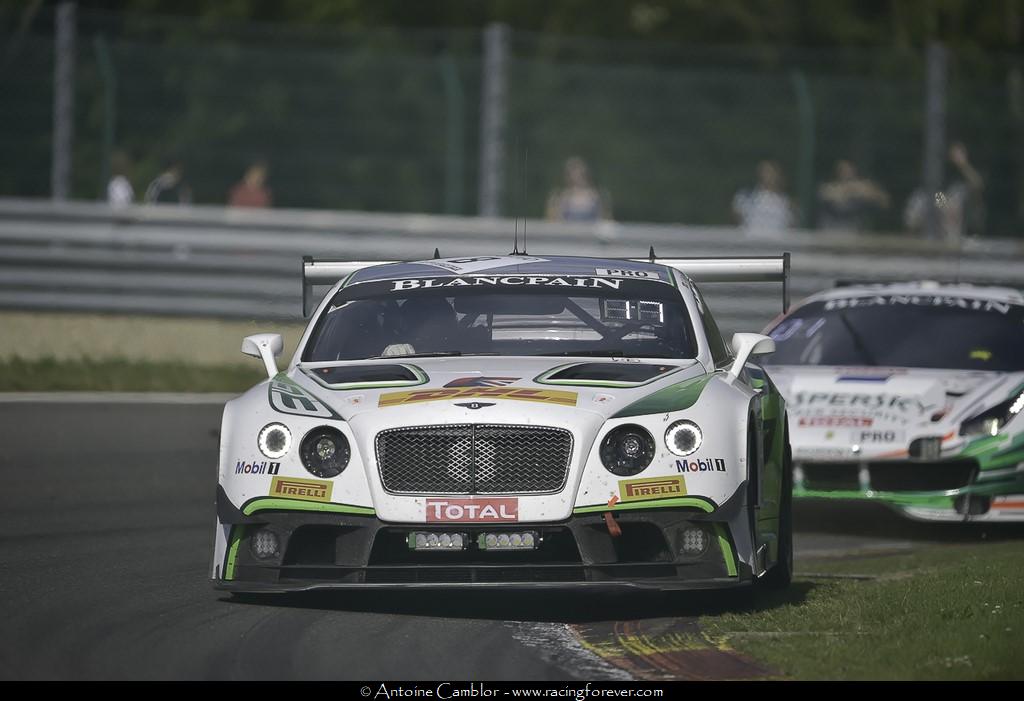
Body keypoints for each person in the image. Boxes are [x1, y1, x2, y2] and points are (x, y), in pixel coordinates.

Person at [904, 141, 985, 240]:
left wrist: (962, 164)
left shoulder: (961, 188)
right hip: (929, 247)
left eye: (960, 154)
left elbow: (978, 184)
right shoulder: (922, 195)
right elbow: (910, 228)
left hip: (956, 247)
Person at [817, 160, 889, 232]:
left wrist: (870, 191)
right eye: (842, 170)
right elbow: (830, 195)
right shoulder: (827, 187)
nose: (847, 173)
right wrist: (851, 189)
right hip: (830, 234)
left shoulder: (862, 188)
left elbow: (885, 203)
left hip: (854, 235)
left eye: (849, 170)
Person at [731, 160, 794, 237]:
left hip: (777, 244)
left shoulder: (785, 202)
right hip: (751, 243)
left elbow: (791, 225)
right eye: (766, 172)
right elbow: (737, 217)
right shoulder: (746, 197)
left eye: (772, 172)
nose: (768, 176)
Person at [546, 156, 612, 222]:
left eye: (579, 171)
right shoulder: (559, 196)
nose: (577, 175)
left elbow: (605, 220)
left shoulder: (597, 196)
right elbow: (553, 221)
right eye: (573, 171)